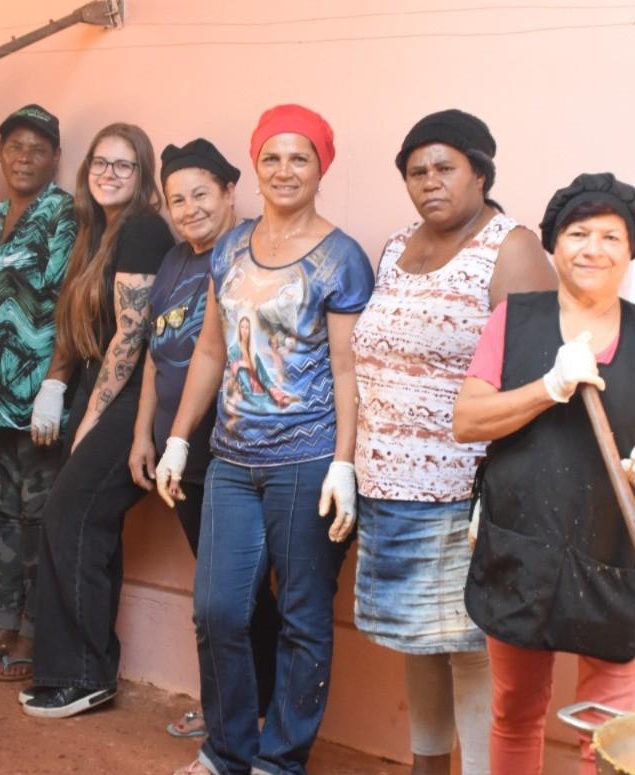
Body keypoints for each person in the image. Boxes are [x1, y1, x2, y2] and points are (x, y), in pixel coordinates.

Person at [453, 173, 635, 775]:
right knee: (516, 712)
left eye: (610, 236)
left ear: (630, 251)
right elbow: (467, 421)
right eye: (577, 233)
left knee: (605, 733)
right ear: (553, 243)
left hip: (618, 554)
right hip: (522, 551)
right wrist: (548, 387)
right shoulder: (513, 322)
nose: (592, 249)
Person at [155, 104, 374, 775]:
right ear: (254, 165)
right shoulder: (229, 247)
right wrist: (177, 440)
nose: (284, 169)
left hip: (306, 463)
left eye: (298, 157)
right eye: (271, 157)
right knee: (217, 609)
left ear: (319, 168)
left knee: (304, 619)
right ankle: (226, 749)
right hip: (230, 459)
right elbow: (209, 354)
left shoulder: (342, 258)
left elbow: (347, 367)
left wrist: (344, 462)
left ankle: (279, 761)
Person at [349, 109, 557, 775]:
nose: (428, 182)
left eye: (444, 168)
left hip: (461, 491)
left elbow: (529, 378)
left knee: (468, 648)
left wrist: (497, 492)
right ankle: (426, 766)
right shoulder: (395, 246)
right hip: (386, 486)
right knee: (419, 642)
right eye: (415, 171)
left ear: (479, 171)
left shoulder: (509, 246)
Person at [19, 123, 174, 718]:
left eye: (124, 165)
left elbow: (131, 339)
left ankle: (83, 674)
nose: (109, 174)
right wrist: (63, 389)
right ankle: (76, 671)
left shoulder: (140, 229)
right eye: (100, 163)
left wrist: (91, 417)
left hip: (133, 395)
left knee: (71, 515)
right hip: (98, 386)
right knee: (86, 526)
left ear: (143, 177)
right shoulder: (96, 229)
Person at [127, 138, 280, 739]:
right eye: (176, 199)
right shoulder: (174, 262)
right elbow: (154, 353)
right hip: (178, 454)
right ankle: (236, 709)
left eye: (200, 194)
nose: (188, 209)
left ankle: (245, 715)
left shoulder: (250, 253)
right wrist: (145, 433)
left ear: (229, 193)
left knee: (236, 596)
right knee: (221, 592)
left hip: (233, 451)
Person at [0, 105, 75, 681]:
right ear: (0, 153)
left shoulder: (64, 214)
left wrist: (55, 381)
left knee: (40, 512)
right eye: (14, 147)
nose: (24, 157)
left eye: (37, 148)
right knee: (1, 511)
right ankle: (3, 619)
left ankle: (34, 629)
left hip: (38, 397)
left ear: (54, 157)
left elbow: (70, 303)